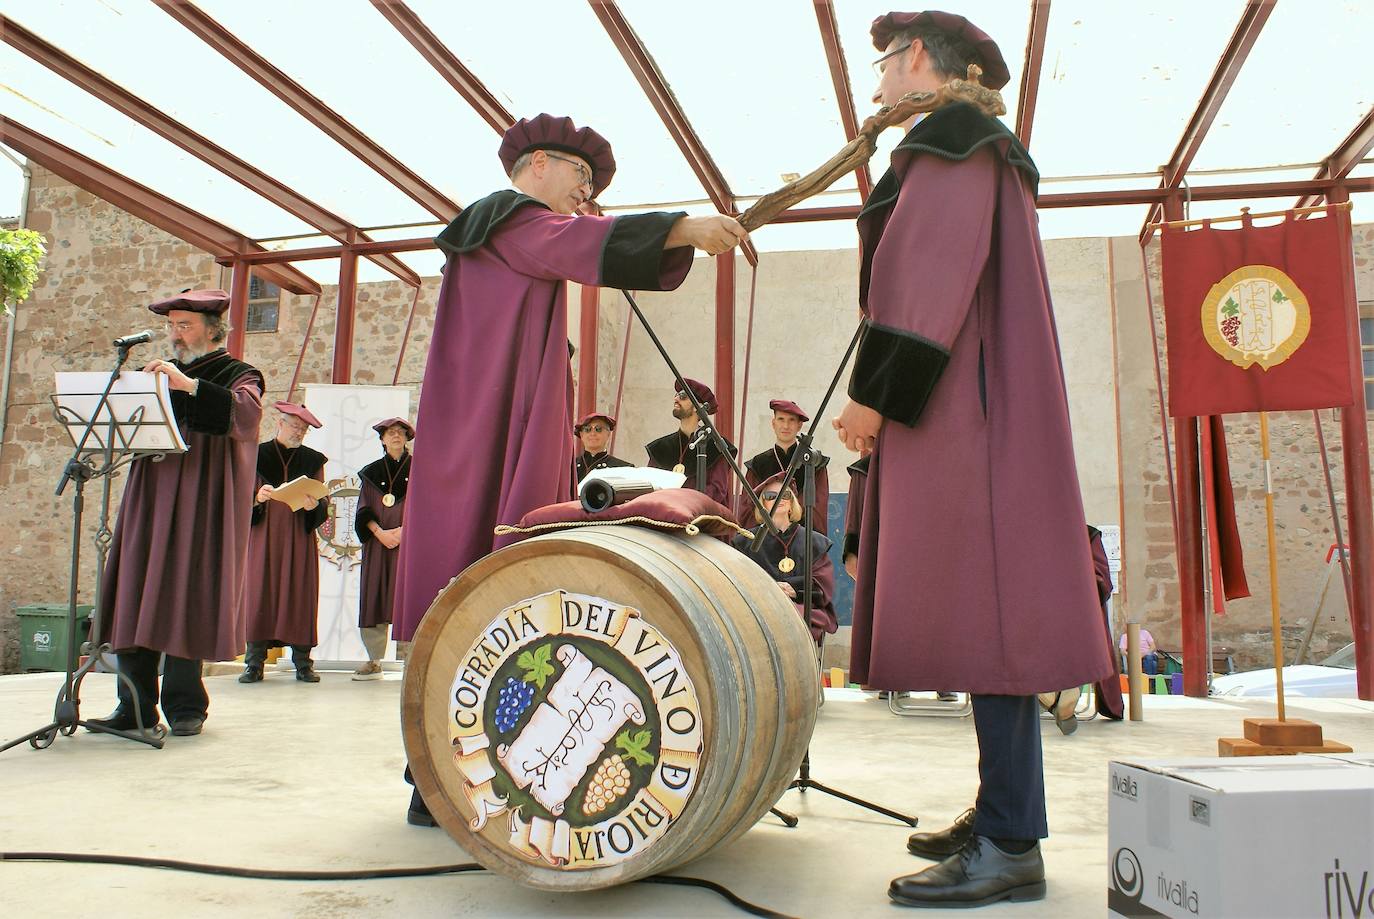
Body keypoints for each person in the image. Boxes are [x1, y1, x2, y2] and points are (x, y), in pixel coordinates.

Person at [392, 112, 747, 826]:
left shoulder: (500, 236)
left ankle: (444, 769)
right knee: (490, 573)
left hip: (486, 418)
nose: (586, 198)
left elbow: (580, 239)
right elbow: (580, 239)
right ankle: (436, 776)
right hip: (490, 427)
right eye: (580, 180)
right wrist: (684, 229)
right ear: (538, 167)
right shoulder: (511, 221)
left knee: (482, 580)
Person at [832, 11, 1114, 908]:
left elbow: (925, 281)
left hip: (963, 412)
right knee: (988, 616)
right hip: (978, 404)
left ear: (917, 58)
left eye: (882, 64)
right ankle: (1003, 807)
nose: (876, 82)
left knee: (994, 622)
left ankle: (1010, 841)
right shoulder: (975, 143)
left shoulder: (953, 141)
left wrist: (875, 398)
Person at [92, 288, 264, 737]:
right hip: (149, 493)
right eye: (172, 326)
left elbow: (245, 416)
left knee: (187, 590)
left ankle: (186, 706)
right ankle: (133, 707)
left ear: (213, 329)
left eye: (184, 325)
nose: (175, 334)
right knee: (136, 586)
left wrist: (187, 386)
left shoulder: (238, 373)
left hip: (198, 501)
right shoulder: (155, 375)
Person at [240, 402, 328, 684]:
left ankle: (303, 663)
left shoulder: (314, 460)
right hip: (265, 535)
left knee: (299, 593)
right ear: (280, 422)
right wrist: (257, 497)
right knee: (259, 591)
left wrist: (314, 504)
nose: (299, 432)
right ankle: (254, 664)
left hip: (297, 537)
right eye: (295, 426)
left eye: (303, 429)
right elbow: (242, 497)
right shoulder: (257, 455)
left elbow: (322, 502)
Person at [730, 473, 838, 643]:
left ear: (791, 504)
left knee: (793, 617)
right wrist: (770, 590)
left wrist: (794, 589)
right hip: (758, 608)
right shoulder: (745, 541)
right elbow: (736, 582)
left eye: (785, 495)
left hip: (801, 606)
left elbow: (822, 584)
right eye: (771, 496)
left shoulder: (813, 541)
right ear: (762, 503)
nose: (778, 499)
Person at [352, 417, 414, 681]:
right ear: (382, 439)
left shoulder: (420, 469)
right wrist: (380, 533)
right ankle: (373, 659)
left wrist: (403, 532)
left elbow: (426, 506)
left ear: (407, 438)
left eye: (400, 432)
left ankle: (413, 659)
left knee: (408, 597)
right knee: (375, 595)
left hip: (410, 545)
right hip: (379, 546)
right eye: (390, 433)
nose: (396, 436)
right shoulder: (371, 472)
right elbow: (364, 509)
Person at [645, 378, 738, 510]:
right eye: (676, 395)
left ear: (698, 407)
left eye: (682, 396)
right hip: (663, 513)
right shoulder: (660, 447)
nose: (676, 399)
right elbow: (650, 485)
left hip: (701, 518)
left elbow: (716, 491)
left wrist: (684, 505)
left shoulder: (716, 446)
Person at [738, 399, 830, 533]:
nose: (786, 426)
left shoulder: (814, 462)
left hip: (802, 538)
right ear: (773, 423)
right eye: (781, 419)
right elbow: (748, 509)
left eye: (791, 420)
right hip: (765, 539)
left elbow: (818, 509)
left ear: (799, 425)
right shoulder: (758, 464)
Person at [571, 412, 632, 493]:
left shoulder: (624, 468)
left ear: (608, 434)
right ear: (581, 435)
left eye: (598, 429)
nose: (593, 433)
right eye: (587, 429)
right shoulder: (570, 467)